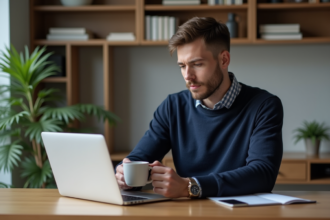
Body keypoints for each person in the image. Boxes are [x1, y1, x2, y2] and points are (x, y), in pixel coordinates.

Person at [115, 17, 283, 199]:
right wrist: (124, 174)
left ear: (224, 60)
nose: (188, 76)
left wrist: (191, 186)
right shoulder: (173, 107)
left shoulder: (264, 106)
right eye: (182, 66)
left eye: (197, 64)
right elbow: (140, 158)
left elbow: (262, 174)